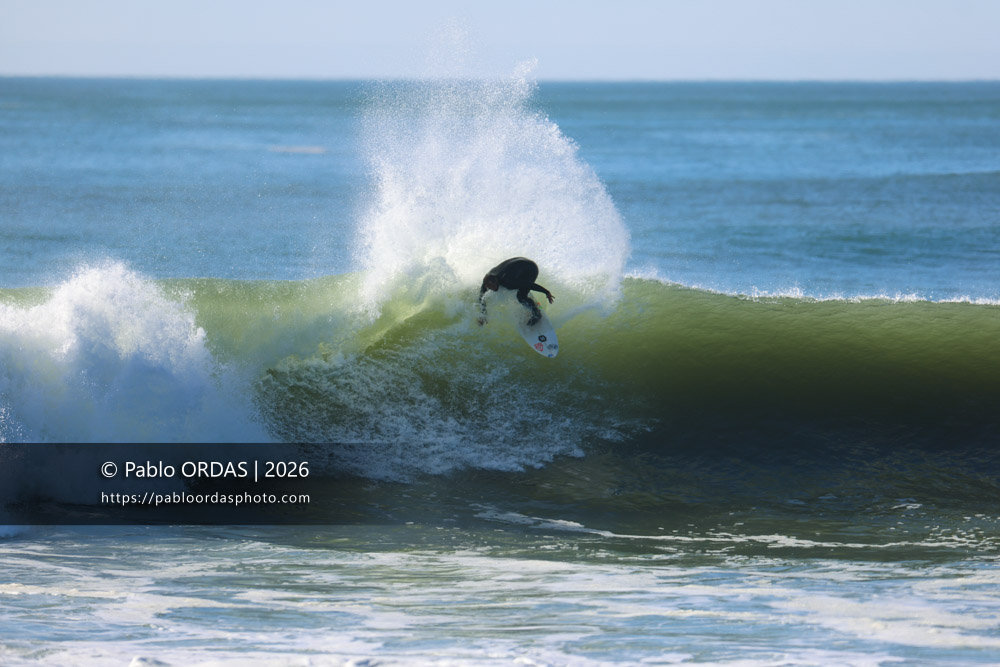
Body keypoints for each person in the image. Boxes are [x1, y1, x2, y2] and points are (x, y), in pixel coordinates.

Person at [479, 257, 554, 326]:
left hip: (531, 269)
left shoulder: (507, 281)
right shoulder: (487, 280)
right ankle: (520, 284)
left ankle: (537, 314)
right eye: (490, 288)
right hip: (519, 264)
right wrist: (483, 315)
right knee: (515, 285)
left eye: (493, 287)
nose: (492, 290)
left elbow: (529, 284)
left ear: (496, 282)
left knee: (521, 297)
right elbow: (481, 297)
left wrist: (546, 292)